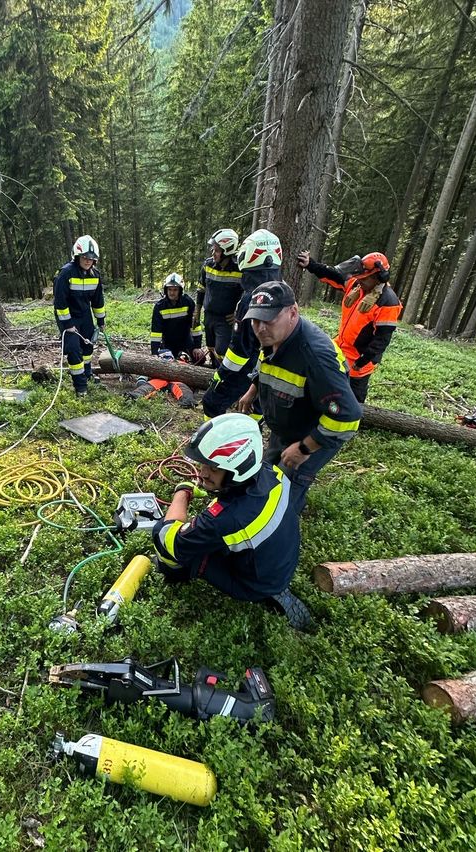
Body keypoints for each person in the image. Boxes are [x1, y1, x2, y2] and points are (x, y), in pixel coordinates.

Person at [152, 413, 311, 628]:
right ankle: (271, 586)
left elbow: (167, 540)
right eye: (204, 465)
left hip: (254, 584)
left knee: (173, 553)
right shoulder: (272, 474)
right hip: (281, 564)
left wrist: (182, 492)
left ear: (239, 468)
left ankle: (177, 576)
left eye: (214, 468)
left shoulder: (225, 519)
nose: (203, 474)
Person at [237, 281, 362, 514]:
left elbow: (348, 417)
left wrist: (305, 448)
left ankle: (288, 512)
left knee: (285, 492)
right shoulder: (274, 336)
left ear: (293, 312)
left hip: (312, 434)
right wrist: (253, 389)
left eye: (269, 319)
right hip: (285, 422)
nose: (260, 328)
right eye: (255, 320)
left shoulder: (315, 356)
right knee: (267, 472)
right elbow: (267, 363)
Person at [297, 250, 401, 403]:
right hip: (339, 349)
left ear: (378, 277)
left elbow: (382, 339)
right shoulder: (356, 286)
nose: (360, 281)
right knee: (324, 388)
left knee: (352, 401)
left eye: (364, 278)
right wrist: (310, 264)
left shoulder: (388, 302)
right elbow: (333, 275)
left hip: (358, 361)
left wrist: (362, 361)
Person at [203, 229, 283, 418]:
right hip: (274, 368)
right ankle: (253, 428)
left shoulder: (250, 299)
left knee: (211, 402)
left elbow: (240, 350)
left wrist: (220, 375)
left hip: (251, 365)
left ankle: (211, 440)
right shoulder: (284, 290)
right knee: (258, 406)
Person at [54, 235, 106, 395]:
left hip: (85, 315)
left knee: (88, 346)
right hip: (68, 317)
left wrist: (101, 320)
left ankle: (87, 374)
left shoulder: (95, 275)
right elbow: (60, 302)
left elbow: (98, 300)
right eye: (85, 257)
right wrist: (68, 324)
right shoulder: (66, 273)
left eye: (91, 258)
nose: (88, 260)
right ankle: (80, 386)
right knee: (74, 350)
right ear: (77, 256)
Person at [194, 228, 242, 365]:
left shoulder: (240, 270)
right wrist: (197, 311)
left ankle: (223, 379)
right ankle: (212, 375)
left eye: (216, 250)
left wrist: (239, 314)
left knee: (222, 351)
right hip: (209, 316)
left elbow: (247, 294)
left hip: (226, 320)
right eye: (213, 249)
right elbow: (201, 289)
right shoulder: (208, 265)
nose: (213, 253)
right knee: (211, 348)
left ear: (227, 251)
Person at [150, 273, 197, 358]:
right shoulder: (159, 307)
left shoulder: (188, 302)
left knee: (199, 359)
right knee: (168, 361)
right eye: (170, 289)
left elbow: (195, 326)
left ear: (180, 291)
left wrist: (197, 347)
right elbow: (155, 333)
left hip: (186, 342)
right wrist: (154, 353)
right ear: (166, 290)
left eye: (175, 290)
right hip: (168, 343)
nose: (172, 293)